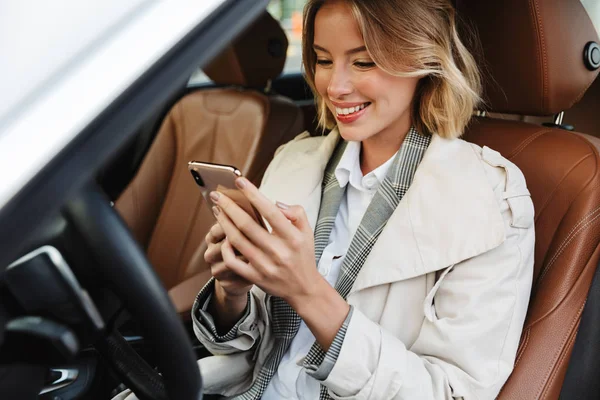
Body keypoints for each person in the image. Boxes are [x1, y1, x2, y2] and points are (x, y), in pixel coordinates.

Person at [116, 0, 534, 399]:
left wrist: (308, 291)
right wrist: (232, 292)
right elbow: (253, 348)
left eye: (363, 61)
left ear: (421, 59)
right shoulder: (294, 161)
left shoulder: (489, 199)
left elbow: (450, 392)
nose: (335, 86)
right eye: (323, 59)